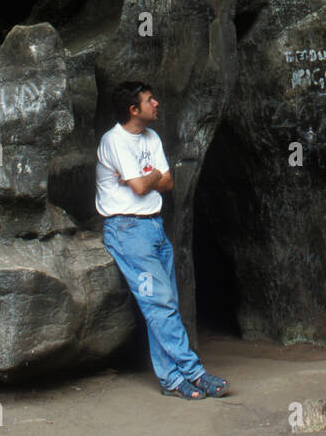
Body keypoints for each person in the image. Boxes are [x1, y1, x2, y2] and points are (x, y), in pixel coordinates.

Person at [95, 80, 229, 401]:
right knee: (161, 304)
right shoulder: (114, 140)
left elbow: (167, 182)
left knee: (163, 305)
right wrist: (151, 177)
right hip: (127, 231)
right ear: (133, 110)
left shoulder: (151, 137)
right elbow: (145, 186)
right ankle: (194, 373)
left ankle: (171, 379)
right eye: (149, 100)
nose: (156, 103)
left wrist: (147, 178)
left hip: (153, 227)